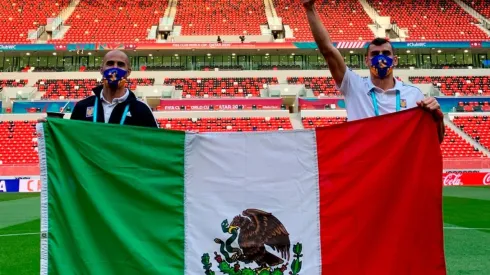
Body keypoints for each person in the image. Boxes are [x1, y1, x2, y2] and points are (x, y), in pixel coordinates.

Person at [302, 0, 444, 143]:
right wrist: (309, 8)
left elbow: (435, 140)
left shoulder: (414, 95)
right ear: (367, 61)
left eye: (386, 53)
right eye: (375, 54)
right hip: (365, 164)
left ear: (395, 60)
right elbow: (328, 50)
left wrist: (438, 118)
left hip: (399, 165)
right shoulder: (353, 86)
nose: (381, 58)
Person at [41, 50, 159, 128]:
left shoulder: (141, 109)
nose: (115, 68)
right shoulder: (82, 107)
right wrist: (50, 128)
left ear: (128, 73)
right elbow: (72, 142)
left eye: (120, 64)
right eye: (110, 63)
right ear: (101, 70)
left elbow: (155, 144)